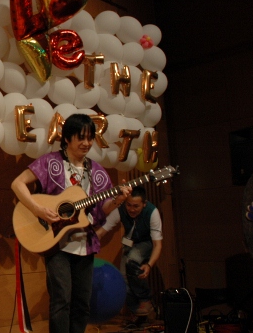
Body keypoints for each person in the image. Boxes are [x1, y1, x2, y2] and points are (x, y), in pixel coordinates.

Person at [11, 113, 130, 333]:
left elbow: (101, 210)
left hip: (85, 244)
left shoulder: (97, 171)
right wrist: (38, 210)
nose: (87, 143)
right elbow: (17, 184)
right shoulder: (50, 162)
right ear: (67, 138)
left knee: (82, 304)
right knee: (61, 300)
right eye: (81, 137)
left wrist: (118, 201)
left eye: (90, 138)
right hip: (56, 242)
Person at [96, 185, 163, 318]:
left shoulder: (152, 212)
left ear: (144, 204)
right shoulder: (120, 209)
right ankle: (137, 312)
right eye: (129, 205)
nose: (131, 209)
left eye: (136, 206)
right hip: (129, 243)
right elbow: (103, 231)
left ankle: (145, 299)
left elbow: (157, 245)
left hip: (146, 243)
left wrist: (149, 265)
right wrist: (87, 244)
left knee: (131, 260)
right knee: (123, 278)